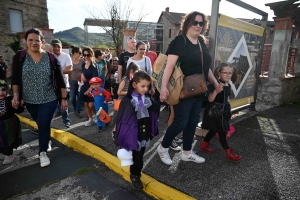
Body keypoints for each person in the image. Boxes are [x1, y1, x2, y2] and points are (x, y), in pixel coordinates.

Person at [157, 11, 222, 165]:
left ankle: (187, 152)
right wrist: (164, 87)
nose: (198, 26)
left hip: (199, 89)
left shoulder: (200, 42)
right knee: (181, 122)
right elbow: (169, 66)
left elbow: (205, 67)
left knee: (193, 122)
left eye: (201, 23)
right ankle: (163, 147)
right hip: (182, 89)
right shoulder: (180, 41)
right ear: (187, 24)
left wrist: (215, 82)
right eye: (195, 22)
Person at [11, 28, 67, 168]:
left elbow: (60, 80)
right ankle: (46, 138)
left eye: (37, 40)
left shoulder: (51, 58)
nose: (34, 43)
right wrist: (16, 95)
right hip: (29, 100)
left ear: (42, 42)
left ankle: (42, 153)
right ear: (26, 42)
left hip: (49, 98)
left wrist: (64, 99)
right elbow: (15, 79)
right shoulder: (19, 57)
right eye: (30, 40)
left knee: (43, 122)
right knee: (41, 123)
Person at [115, 71, 159, 189]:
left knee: (139, 154)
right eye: (142, 86)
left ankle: (135, 171)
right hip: (132, 132)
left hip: (144, 132)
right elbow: (123, 117)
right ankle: (135, 174)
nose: (145, 89)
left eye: (147, 86)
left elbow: (153, 109)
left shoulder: (147, 97)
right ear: (134, 85)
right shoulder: (128, 100)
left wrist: (160, 99)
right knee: (136, 155)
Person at [200, 63, 241, 161]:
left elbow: (226, 98)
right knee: (222, 132)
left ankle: (204, 144)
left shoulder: (227, 84)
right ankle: (228, 152)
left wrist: (229, 107)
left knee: (214, 130)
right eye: (225, 72)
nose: (228, 75)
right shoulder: (216, 85)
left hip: (223, 112)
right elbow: (210, 100)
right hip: (216, 113)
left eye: (230, 73)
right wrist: (216, 91)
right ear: (219, 73)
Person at [111, 62, 140, 140]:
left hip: (129, 102)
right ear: (130, 71)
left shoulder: (134, 80)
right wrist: (129, 92)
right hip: (121, 102)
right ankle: (115, 132)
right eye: (133, 71)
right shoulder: (125, 79)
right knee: (118, 118)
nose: (134, 73)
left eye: (136, 72)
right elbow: (118, 92)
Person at [0, 80, 24, 165]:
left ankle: (9, 155)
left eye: (3, 89)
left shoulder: (10, 99)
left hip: (8, 126)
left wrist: (18, 104)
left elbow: (20, 109)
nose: (1, 92)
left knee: (8, 142)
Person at [52, 39, 73, 128]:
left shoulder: (66, 56)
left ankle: (66, 121)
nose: (57, 48)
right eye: (54, 46)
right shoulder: (49, 56)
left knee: (64, 104)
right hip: (51, 85)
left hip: (63, 85)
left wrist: (57, 72)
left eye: (58, 46)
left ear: (61, 47)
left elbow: (70, 69)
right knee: (50, 106)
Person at [80, 47, 99, 127]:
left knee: (91, 105)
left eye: (88, 55)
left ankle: (97, 115)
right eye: (84, 55)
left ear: (91, 55)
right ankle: (90, 119)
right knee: (86, 104)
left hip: (92, 87)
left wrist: (89, 89)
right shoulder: (83, 64)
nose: (86, 57)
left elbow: (95, 80)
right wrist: (82, 76)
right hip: (84, 86)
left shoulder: (94, 66)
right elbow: (81, 72)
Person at [69, 46, 84, 118]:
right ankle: (75, 109)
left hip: (80, 82)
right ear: (75, 53)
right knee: (72, 98)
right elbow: (67, 72)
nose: (81, 54)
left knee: (79, 97)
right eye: (80, 53)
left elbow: (84, 70)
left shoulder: (82, 61)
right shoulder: (69, 60)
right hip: (72, 81)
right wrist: (68, 82)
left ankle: (78, 111)